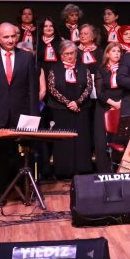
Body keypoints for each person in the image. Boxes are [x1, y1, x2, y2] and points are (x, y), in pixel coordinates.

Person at [0, 22, 41, 191]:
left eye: (13, 36)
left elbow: (32, 91)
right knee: (0, 156)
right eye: (6, 37)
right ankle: (2, 193)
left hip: (22, 116)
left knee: (21, 156)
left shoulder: (26, 57)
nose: (11, 40)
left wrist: (34, 118)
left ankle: (23, 190)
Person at [45, 41, 95, 179]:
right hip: (61, 110)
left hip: (81, 108)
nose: (69, 56)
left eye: (72, 53)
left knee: (81, 140)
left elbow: (88, 87)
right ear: (61, 55)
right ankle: (64, 170)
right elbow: (52, 89)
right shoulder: (54, 69)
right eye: (66, 54)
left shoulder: (84, 68)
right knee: (64, 141)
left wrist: (77, 102)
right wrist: (68, 103)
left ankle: (82, 168)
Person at [93, 42, 124, 172]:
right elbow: (99, 92)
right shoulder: (101, 69)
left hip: (123, 104)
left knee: (120, 138)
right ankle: (104, 171)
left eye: (118, 51)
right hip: (104, 105)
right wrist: (113, 104)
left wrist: (121, 103)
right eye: (114, 51)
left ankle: (121, 169)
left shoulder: (124, 68)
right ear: (107, 53)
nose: (117, 53)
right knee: (101, 140)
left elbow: (129, 88)